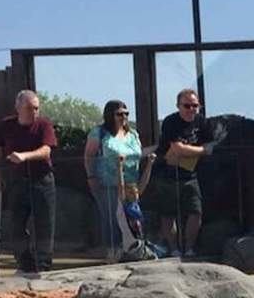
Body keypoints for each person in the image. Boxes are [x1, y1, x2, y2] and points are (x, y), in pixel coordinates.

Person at [0, 90, 57, 276]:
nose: (33, 112)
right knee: (17, 223)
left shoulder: (43, 125)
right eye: (29, 108)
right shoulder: (6, 126)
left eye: (36, 108)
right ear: (18, 108)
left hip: (42, 179)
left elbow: (46, 151)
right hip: (17, 181)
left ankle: (42, 265)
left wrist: (24, 156)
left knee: (44, 223)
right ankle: (24, 264)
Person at [152, 88, 216, 258]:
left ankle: (189, 249)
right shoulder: (170, 122)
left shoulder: (202, 122)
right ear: (178, 106)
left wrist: (191, 151)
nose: (191, 110)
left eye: (195, 106)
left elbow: (210, 147)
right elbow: (177, 148)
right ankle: (173, 249)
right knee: (168, 213)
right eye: (186, 106)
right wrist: (200, 150)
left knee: (195, 211)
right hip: (167, 174)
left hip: (190, 175)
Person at [83, 99, 142, 262]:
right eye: (119, 114)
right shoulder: (99, 133)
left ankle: (132, 250)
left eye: (126, 114)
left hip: (131, 185)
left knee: (131, 218)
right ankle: (112, 253)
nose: (123, 117)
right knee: (111, 219)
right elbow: (89, 156)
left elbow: (138, 154)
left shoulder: (133, 134)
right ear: (110, 115)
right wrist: (91, 176)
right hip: (107, 183)